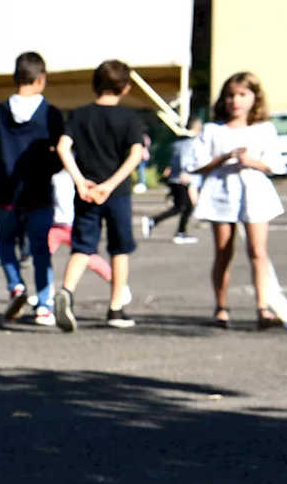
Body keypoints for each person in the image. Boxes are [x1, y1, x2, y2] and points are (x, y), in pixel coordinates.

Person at [54, 59, 147, 332]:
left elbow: (63, 147)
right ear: (126, 88)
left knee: (83, 246)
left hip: (87, 192)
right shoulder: (130, 118)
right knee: (120, 248)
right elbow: (135, 154)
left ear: (95, 85)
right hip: (116, 192)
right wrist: (110, 184)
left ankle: (67, 292)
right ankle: (115, 308)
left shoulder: (79, 115)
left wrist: (80, 181)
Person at [193, 72, 287, 330]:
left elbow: (274, 164)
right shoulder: (213, 130)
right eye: (231, 95)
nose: (236, 101)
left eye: (242, 95)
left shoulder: (264, 130)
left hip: (254, 193)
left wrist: (251, 162)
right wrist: (224, 157)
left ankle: (263, 308)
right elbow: (198, 164)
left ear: (254, 98)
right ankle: (221, 307)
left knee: (258, 251)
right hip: (222, 193)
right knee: (224, 252)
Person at [0, 51, 63, 322]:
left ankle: (15, 284)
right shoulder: (50, 113)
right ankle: (43, 305)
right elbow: (60, 152)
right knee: (40, 248)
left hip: (6, 193)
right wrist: (48, 170)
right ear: (41, 79)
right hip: (38, 192)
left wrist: (0, 174)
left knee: (5, 243)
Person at [45, 170, 128, 327]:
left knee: (85, 257)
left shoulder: (61, 177)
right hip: (61, 226)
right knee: (89, 257)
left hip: (61, 225)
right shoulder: (69, 176)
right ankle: (120, 288)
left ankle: (49, 296)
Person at [142, 119, 203, 244]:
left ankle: (155, 222)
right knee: (184, 207)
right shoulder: (191, 142)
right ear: (197, 127)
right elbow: (185, 159)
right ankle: (178, 232)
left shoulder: (178, 142)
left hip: (175, 178)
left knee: (181, 207)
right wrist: (184, 172)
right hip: (181, 178)